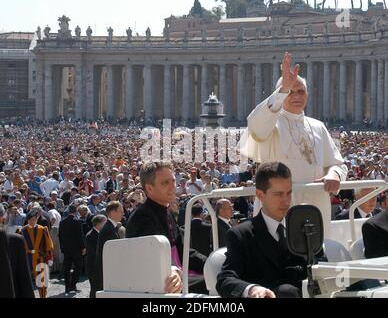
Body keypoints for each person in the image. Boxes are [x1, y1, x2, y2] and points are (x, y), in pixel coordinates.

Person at [239, 52, 347, 238]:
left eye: (301, 91)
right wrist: (282, 91)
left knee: (315, 257)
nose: (296, 96)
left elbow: (337, 163)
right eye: (290, 91)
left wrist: (334, 174)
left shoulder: (318, 126)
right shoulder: (271, 122)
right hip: (278, 204)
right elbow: (255, 125)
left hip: (316, 205)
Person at [216, 162, 307, 298]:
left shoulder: (303, 228)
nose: (286, 201)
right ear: (260, 194)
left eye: (289, 193)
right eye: (278, 194)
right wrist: (252, 290)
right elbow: (225, 279)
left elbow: (321, 266)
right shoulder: (241, 235)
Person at [126, 162, 207, 294]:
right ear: (149, 188)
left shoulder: (167, 211)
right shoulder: (142, 217)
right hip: (158, 282)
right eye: (165, 183)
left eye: (173, 181)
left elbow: (183, 251)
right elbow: (150, 256)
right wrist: (173, 269)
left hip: (176, 273)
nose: (172, 187)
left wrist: (210, 263)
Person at [18, 209, 54, 298]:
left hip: (40, 257)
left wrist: (50, 257)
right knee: (25, 280)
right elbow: (19, 247)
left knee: (42, 280)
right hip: (26, 258)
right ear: (27, 220)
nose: (32, 221)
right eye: (30, 219)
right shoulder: (22, 231)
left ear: (37, 219)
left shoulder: (42, 229)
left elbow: (49, 244)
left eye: (34, 219)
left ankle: (42, 296)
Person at [95, 201, 124, 294]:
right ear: (112, 212)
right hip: (107, 272)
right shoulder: (108, 229)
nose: (122, 214)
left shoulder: (112, 227)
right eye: (121, 211)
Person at [58, 204, 86, 295]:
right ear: (75, 212)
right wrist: (83, 247)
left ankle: (67, 287)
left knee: (67, 268)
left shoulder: (62, 222)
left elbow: (60, 236)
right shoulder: (77, 222)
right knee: (78, 266)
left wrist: (62, 248)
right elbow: (80, 236)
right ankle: (73, 284)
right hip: (76, 249)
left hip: (66, 249)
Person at [85, 214, 107, 298]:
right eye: (104, 222)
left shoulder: (99, 233)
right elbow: (95, 252)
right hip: (93, 267)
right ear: (98, 224)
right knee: (95, 288)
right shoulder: (90, 235)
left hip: (98, 266)